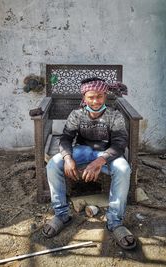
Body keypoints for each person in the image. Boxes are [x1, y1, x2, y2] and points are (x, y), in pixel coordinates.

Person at [42, 77, 136, 250]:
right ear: (84, 97)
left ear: (105, 96)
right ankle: (61, 214)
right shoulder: (76, 115)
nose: (95, 101)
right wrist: (68, 158)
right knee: (53, 164)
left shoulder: (114, 116)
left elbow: (119, 143)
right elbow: (66, 139)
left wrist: (100, 161)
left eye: (99, 96)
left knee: (123, 169)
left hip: (107, 154)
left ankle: (115, 222)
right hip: (82, 150)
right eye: (91, 97)